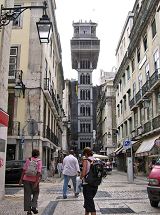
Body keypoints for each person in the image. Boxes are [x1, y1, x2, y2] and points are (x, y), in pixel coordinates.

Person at [19, 149, 42, 215]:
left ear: (32, 153)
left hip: (26, 180)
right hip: (34, 180)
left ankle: (28, 212)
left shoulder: (28, 160)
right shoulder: (39, 161)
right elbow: (39, 172)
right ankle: (34, 206)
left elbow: (24, 170)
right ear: (38, 154)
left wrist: (21, 179)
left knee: (27, 195)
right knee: (36, 193)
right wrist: (36, 182)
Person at [80, 147, 98, 215]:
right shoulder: (95, 160)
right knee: (87, 203)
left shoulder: (85, 160)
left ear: (86, 153)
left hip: (87, 184)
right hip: (95, 184)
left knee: (91, 205)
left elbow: (84, 172)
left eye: (84, 154)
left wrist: (81, 177)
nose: (84, 156)